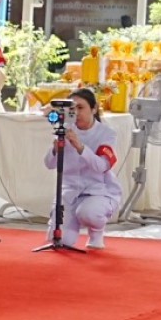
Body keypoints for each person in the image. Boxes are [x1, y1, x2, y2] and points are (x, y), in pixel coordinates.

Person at [45, 88, 122, 250]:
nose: (76, 113)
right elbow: (49, 164)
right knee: (59, 239)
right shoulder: (65, 128)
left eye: (81, 108)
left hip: (97, 191)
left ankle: (96, 231)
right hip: (70, 191)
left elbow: (101, 166)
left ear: (93, 109)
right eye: (72, 109)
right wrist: (55, 149)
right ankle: (71, 222)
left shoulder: (107, 134)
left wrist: (79, 146)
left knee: (89, 213)